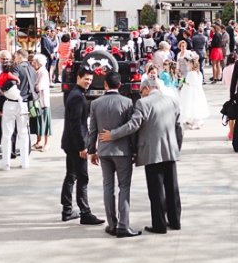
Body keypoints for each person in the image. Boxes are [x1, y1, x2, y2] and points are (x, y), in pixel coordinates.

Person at [99, 78, 183, 235]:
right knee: (172, 187)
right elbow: (179, 127)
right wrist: (176, 147)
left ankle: (160, 225)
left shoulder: (143, 104)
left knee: (156, 190)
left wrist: (113, 135)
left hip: (151, 152)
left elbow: (133, 125)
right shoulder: (173, 101)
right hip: (170, 150)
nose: (141, 95)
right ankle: (175, 221)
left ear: (146, 89)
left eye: (141, 92)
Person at [88, 72, 140, 238]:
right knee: (124, 187)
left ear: (105, 85)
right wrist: (134, 150)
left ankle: (112, 224)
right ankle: (123, 225)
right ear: (119, 85)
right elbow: (131, 129)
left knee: (107, 187)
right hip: (122, 150)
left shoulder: (95, 104)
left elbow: (93, 129)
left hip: (104, 150)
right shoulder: (127, 102)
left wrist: (91, 150)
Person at [60, 66, 105, 225]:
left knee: (71, 175)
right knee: (82, 177)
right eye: (86, 79)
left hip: (70, 142)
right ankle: (85, 212)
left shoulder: (74, 94)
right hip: (75, 144)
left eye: (91, 80)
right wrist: (83, 147)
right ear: (78, 77)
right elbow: (77, 124)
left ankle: (67, 210)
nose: (88, 82)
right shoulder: (77, 97)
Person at [178, 59, 209, 129]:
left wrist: (182, 80)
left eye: (189, 64)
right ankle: (197, 120)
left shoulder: (191, 73)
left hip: (191, 91)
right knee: (197, 103)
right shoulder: (199, 73)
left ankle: (196, 122)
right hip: (198, 90)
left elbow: (188, 82)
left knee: (192, 104)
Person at [31, 54, 52, 152]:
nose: (32, 64)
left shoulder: (43, 72)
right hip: (37, 101)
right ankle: (39, 142)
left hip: (43, 102)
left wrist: (32, 86)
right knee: (38, 122)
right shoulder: (36, 71)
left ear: (39, 64)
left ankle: (47, 143)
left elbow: (39, 87)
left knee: (45, 123)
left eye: (34, 62)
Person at [222, 53, 238, 140]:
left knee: (230, 113)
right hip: (236, 90)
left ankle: (231, 132)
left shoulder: (225, 69)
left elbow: (224, 82)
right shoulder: (237, 68)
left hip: (228, 91)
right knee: (236, 113)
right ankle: (234, 131)